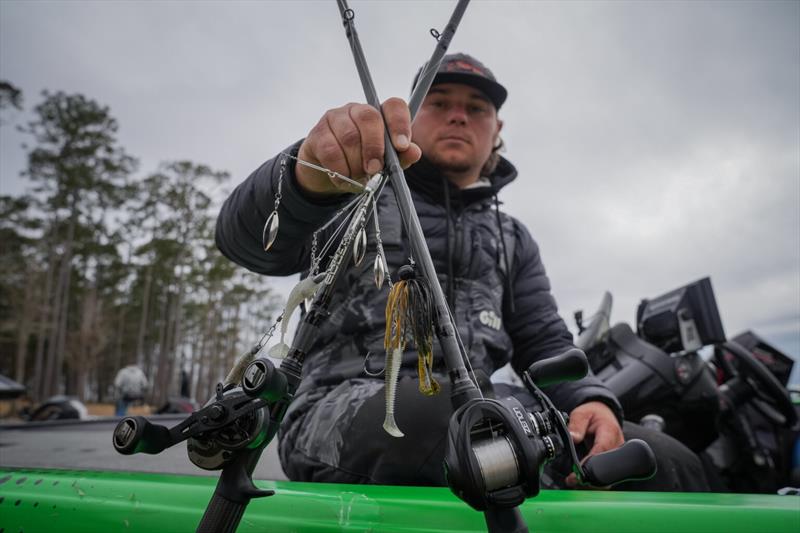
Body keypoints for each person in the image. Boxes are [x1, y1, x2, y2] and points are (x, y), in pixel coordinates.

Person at [216, 53, 709, 491]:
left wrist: (589, 400)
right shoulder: (353, 191)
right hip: (337, 407)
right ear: (408, 117)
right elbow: (248, 243)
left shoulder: (513, 238)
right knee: (450, 424)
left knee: (667, 459)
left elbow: (545, 342)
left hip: (490, 409)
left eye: (477, 108)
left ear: (496, 131)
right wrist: (306, 176)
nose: (458, 115)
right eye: (440, 101)